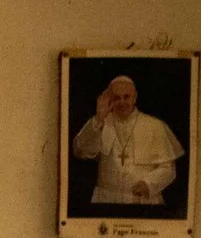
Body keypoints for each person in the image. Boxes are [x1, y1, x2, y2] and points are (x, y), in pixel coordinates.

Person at [71, 74, 183, 206]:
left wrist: (149, 184)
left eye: (126, 97)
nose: (121, 102)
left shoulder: (155, 125)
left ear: (135, 97)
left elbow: (168, 168)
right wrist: (99, 118)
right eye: (116, 98)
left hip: (143, 200)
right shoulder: (100, 122)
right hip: (106, 199)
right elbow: (80, 151)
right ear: (109, 99)